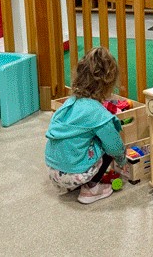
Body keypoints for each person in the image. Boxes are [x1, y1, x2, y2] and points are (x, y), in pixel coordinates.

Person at [45, 47, 127, 204]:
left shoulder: (70, 102)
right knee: (108, 142)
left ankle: (76, 179)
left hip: (53, 170)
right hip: (74, 174)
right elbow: (114, 146)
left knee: (84, 139)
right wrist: (122, 160)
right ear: (108, 83)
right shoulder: (96, 112)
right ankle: (91, 189)